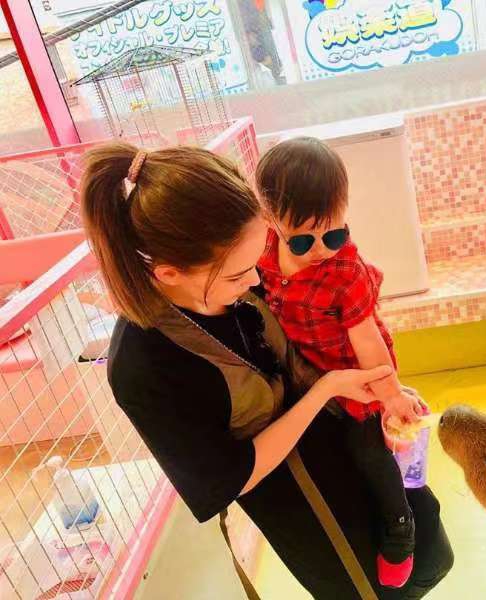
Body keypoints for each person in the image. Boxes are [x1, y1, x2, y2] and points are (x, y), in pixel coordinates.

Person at [80, 142, 453, 600]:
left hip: (354, 439)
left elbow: (320, 339)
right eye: (238, 276)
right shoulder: (144, 366)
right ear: (170, 274)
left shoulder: (244, 273)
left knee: (431, 554)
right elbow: (226, 479)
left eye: (255, 264)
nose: (256, 282)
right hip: (313, 512)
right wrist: (327, 390)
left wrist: (383, 391)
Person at [254, 137, 424, 588]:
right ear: (270, 220)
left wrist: (389, 394)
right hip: (310, 368)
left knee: (367, 449)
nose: (320, 249)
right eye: (302, 239)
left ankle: (401, 524)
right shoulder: (262, 250)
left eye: (334, 234)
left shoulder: (345, 273)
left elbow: (367, 339)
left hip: (358, 369)